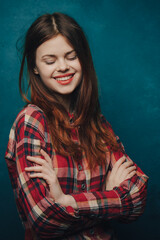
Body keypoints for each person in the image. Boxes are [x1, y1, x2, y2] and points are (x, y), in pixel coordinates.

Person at [5, 12, 148, 240]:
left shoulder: (98, 123)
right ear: (34, 67)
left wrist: (67, 201)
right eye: (50, 61)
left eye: (71, 57)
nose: (63, 67)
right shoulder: (31, 121)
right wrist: (111, 196)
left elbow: (138, 199)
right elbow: (43, 220)